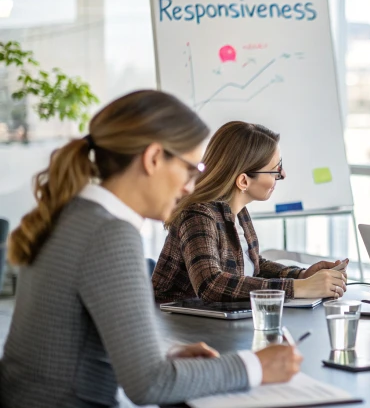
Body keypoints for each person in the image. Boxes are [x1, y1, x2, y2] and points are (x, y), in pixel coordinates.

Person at [0, 90, 303, 407]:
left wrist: (163, 354)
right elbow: (150, 385)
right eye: (189, 170)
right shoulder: (110, 234)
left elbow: (76, 343)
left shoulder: (72, 214)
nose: (190, 186)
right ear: (154, 158)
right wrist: (256, 366)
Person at [152, 121, 347, 303]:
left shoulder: (238, 212)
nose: (283, 174)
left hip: (217, 320)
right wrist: (299, 288)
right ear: (243, 181)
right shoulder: (197, 215)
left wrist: (302, 275)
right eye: (275, 169)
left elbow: (253, 267)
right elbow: (211, 284)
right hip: (176, 323)